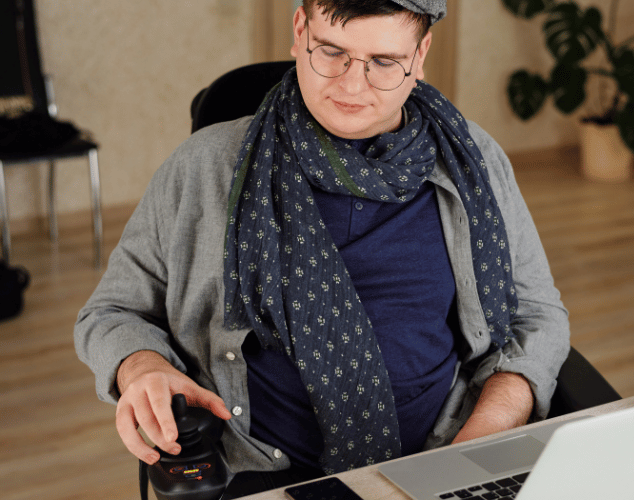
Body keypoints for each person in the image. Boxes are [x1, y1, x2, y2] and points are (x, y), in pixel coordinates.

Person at [74, 0, 570, 492]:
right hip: (262, 472)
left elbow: (538, 315)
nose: (352, 85)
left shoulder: (473, 160)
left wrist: (474, 451)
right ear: (299, 31)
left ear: (419, 56)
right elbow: (113, 311)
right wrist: (142, 366)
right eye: (331, 52)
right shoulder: (202, 168)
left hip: (440, 458)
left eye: (383, 62)